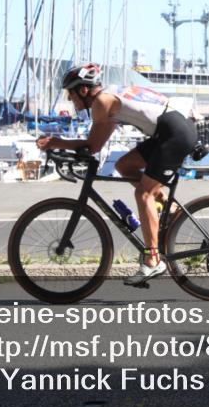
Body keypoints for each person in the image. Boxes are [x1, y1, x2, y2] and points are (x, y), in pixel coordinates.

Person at [36, 63, 199, 285]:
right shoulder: (109, 98)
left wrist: (57, 142)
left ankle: (153, 260)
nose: (70, 100)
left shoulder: (102, 103)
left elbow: (92, 145)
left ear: (83, 90)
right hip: (169, 132)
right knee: (125, 166)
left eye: (71, 94)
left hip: (174, 135)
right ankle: (170, 209)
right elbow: (96, 145)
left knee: (144, 194)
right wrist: (64, 145)